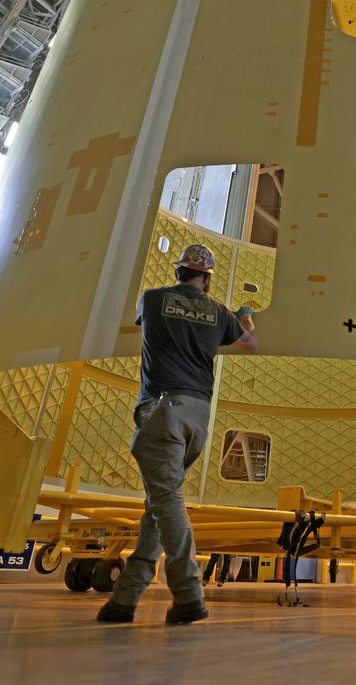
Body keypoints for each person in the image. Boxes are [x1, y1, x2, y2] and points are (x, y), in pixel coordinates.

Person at [97, 244, 259, 625]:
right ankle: (125, 599)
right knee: (158, 504)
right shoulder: (220, 312)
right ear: (207, 279)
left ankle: (189, 594)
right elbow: (251, 345)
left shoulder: (152, 300)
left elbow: (144, 322)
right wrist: (246, 317)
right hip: (198, 417)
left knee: (166, 500)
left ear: (179, 272)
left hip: (161, 410)